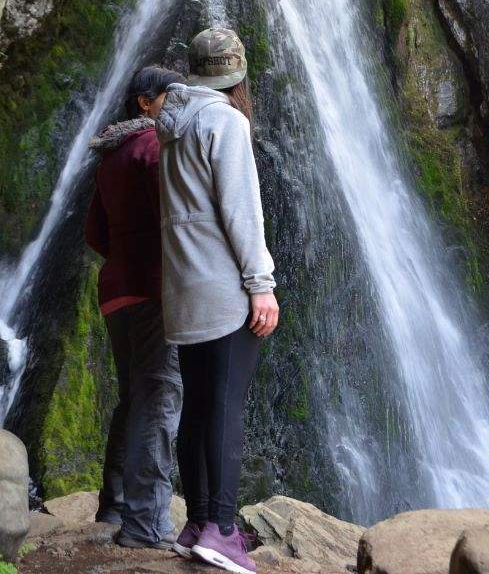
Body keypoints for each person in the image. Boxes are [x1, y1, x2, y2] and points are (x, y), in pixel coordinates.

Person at [156, 28, 280, 574]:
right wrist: (261, 283)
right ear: (236, 73)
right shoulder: (226, 121)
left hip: (181, 291)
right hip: (222, 292)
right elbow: (241, 212)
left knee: (199, 408)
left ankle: (196, 522)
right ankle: (225, 531)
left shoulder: (171, 129)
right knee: (227, 408)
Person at [84, 65, 185, 549]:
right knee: (161, 395)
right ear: (145, 103)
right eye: (171, 95)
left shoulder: (111, 157)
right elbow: (179, 217)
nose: (179, 103)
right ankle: (145, 524)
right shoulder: (153, 150)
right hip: (152, 289)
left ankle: (115, 503)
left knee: (133, 397)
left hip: (117, 291)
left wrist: (125, 256)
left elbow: (94, 234)